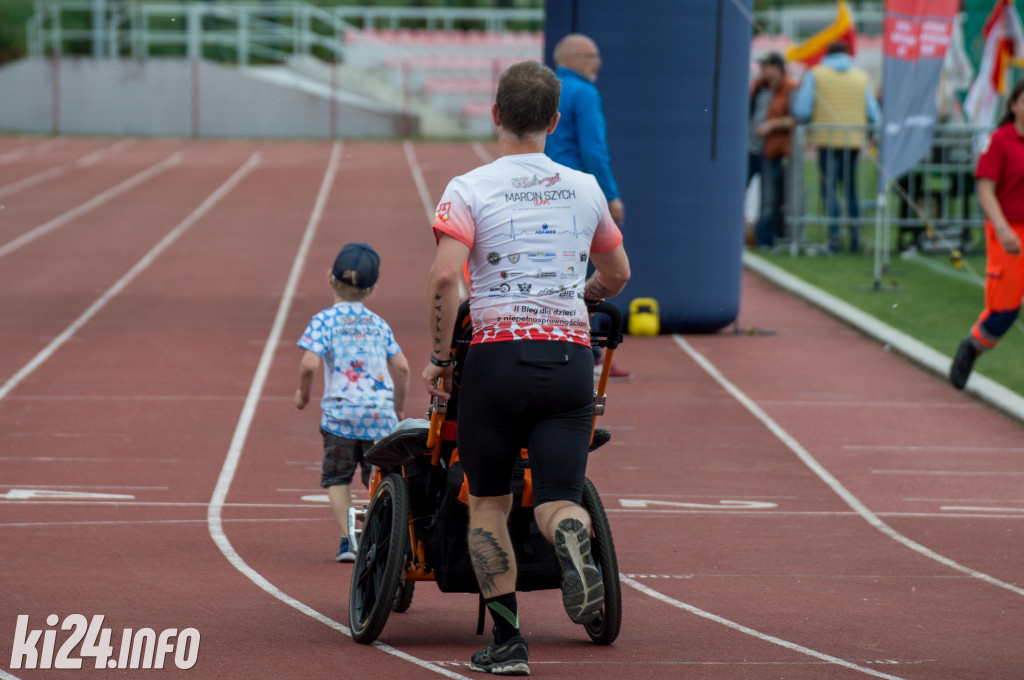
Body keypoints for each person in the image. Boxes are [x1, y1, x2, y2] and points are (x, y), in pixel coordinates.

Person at [422, 61, 630, 676]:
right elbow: (619, 276)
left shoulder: (469, 187)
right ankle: (571, 535)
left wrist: (438, 359)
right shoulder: (585, 187)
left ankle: (509, 643)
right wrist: (580, 297)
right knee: (558, 496)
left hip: (497, 358)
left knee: (486, 503)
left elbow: (443, 278)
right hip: (569, 358)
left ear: (495, 115)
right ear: (555, 120)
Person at [294, 242, 409, 562]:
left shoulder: (323, 321)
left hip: (340, 418)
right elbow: (401, 367)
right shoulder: (378, 324)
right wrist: (397, 406)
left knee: (338, 478)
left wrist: (302, 396)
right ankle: (380, 538)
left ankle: (349, 542)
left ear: (330, 277)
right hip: (379, 417)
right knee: (380, 479)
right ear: (371, 290)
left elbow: (308, 364)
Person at [545, 33, 631, 381]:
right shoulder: (584, 92)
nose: (599, 62)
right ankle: (589, 353)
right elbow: (594, 149)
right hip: (572, 195)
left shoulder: (544, 88)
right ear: (572, 57)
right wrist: (610, 195)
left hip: (536, 188)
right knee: (581, 271)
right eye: (592, 55)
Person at [950, 79, 1024, 390]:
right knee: (1004, 310)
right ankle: (973, 346)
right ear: (1014, 105)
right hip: (1009, 231)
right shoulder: (999, 141)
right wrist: (1003, 229)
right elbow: (985, 189)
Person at [793, 41, 880, 253]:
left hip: (826, 140)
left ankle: (834, 238)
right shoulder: (860, 77)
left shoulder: (816, 74)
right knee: (850, 191)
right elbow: (874, 113)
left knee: (829, 189)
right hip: (853, 142)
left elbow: (802, 109)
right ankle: (855, 237)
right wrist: (873, 133)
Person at [748, 52, 797, 248]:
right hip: (750, 149)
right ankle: (744, 235)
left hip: (772, 149)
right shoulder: (758, 87)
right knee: (741, 192)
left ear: (777, 68)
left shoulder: (790, 88)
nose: (762, 70)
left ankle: (764, 240)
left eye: (766, 66)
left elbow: (795, 118)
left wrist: (772, 124)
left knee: (769, 198)